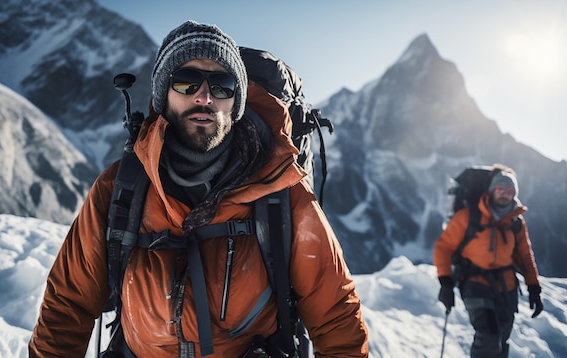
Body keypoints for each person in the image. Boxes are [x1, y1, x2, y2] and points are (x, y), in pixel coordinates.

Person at [29, 20, 369, 357]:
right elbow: (67, 305)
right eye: (187, 82)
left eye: (222, 85)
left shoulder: (280, 189)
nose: (204, 97)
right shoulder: (120, 187)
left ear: (235, 102)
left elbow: (335, 315)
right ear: (164, 93)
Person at [433, 167, 543, 358]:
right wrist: (446, 283)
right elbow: (443, 248)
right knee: (489, 335)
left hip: (506, 286)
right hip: (474, 281)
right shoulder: (468, 216)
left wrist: (534, 287)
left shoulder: (515, 221)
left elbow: (525, 255)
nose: (504, 195)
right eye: (500, 190)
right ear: (491, 191)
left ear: (514, 195)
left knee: (502, 338)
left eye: (509, 192)